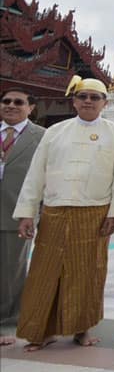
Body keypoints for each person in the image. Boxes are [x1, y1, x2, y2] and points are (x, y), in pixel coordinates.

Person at [13, 76, 114, 351]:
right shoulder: (56, 132)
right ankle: (41, 331)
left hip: (94, 212)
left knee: (87, 272)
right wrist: (28, 212)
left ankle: (81, 329)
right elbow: (36, 173)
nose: (88, 101)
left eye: (94, 97)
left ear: (105, 103)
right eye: (83, 96)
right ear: (74, 101)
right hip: (55, 210)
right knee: (45, 271)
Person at [0, 88, 45, 346]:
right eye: (6, 101)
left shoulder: (42, 137)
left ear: (31, 108)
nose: (11, 106)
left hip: (17, 213)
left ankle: (8, 322)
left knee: (11, 272)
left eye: (19, 102)